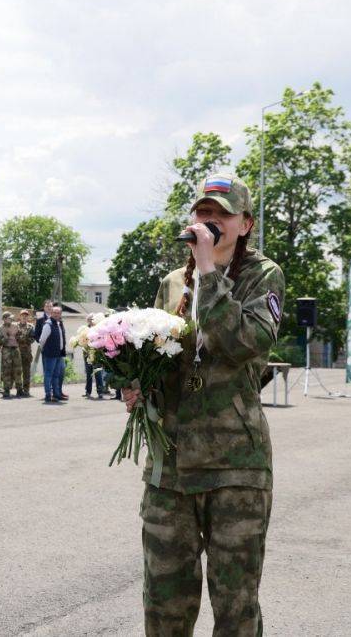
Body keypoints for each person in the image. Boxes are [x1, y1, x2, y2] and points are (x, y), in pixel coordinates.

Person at [124, 173, 284, 635]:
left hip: (235, 468)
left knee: (236, 605)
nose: (208, 220)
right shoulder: (172, 283)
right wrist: (136, 386)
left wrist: (209, 271)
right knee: (164, 601)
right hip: (169, 467)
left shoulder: (263, 276)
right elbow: (153, 353)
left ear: (245, 224)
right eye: (202, 212)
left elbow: (241, 343)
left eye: (220, 213)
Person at [39, 306, 68, 403]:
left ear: (60, 314)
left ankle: (56, 394)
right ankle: (48, 395)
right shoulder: (48, 324)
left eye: (58, 313)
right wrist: (45, 349)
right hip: (50, 354)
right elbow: (42, 340)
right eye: (54, 312)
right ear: (51, 313)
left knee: (56, 375)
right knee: (48, 375)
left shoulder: (59, 324)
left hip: (59, 354)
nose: (56, 314)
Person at [0, 312, 22, 398]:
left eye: (11, 318)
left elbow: (20, 335)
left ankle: (19, 390)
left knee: (18, 370)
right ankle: (6, 390)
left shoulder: (15, 326)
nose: (11, 319)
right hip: (6, 349)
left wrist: (19, 336)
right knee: (6, 371)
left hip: (16, 349)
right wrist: (4, 339)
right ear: (5, 319)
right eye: (9, 318)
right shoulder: (0, 329)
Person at [81, 314, 108, 399]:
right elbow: (82, 340)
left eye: (92, 319)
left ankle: (100, 392)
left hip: (97, 354)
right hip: (87, 354)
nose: (91, 321)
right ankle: (88, 391)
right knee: (89, 373)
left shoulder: (98, 328)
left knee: (98, 373)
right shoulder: (85, 329)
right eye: (89, 319)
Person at [16, 310, 35, 397]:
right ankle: (19, 390)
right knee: (17, 372)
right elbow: (13, 337)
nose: (24, 317)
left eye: (26, 315)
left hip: (26, 352)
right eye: (23, 315)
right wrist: (21, 338)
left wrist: (23, 339)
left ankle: (26, 390)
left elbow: (32, 339)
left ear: (28, 317)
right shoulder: (15, 326)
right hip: (16, 352)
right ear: (19, 316)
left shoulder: (31, 327)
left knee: (26, 372)